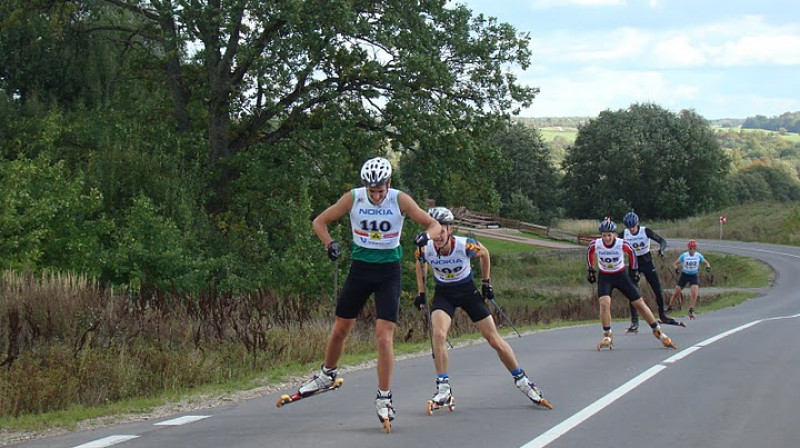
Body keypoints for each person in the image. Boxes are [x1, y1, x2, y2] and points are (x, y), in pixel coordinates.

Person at [300, 156, 442, 429]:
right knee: (341, 328)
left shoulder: (400, 200)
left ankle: (384, 397)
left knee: (384, 335)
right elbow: (319, 222)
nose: (376, 196)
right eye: (372, 190)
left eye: (380, 190)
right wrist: (329, 244)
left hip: (389, 272)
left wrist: (426, 236)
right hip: (361, 269)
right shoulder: (353, 198)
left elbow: (433, 225)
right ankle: (327, 374)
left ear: (389, 183)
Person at [413, 207, 552, 412]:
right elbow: (419, 263)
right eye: (434, 231)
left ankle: (523, 381)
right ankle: (443, 389)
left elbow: (485, 253)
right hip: (444, 294)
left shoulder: (464, 244)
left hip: (468, 292)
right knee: (439, 334)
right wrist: (421, 292)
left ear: (450, 229)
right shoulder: (425, 248)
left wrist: (486, 283)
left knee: (493, 339)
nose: (438, 236)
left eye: (442, 231)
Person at [586, 218, 677, 350]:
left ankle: (659, 332)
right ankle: (607, 334)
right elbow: (589, 252)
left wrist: (634, 269)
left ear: (615, 234)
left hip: (620, 275)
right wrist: (591, 269)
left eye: (609, 235)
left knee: (639, 303)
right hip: (605, 276)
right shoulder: (596, 244)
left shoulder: (621, 243)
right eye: (604, 235)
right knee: (604, 303)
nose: (607, 238)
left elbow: (632, 253)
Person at [619, 211, 683, 332]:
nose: (631, 229)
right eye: (629, 227)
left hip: (647, 261)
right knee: (633, 292)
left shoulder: (645, 231)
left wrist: (661, 250)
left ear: (637, 223)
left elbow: (663, 241)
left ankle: (662, 315)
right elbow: (613, 243)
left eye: (633, 226)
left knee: (657, 289)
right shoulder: (624, 234)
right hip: (634, 264)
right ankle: (634, 321)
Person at [668, 239, 711, 320]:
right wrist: (676, 269)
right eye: (690, 248)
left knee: (694, 292)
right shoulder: (684, 255)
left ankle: (691, 310)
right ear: (688, 248)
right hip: (684, 275)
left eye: (693, 248)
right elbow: (675, 263)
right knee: (676, 292)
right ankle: (670, 307)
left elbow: (706, 263)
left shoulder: (698, 255)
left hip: (693, 275)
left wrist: (708, 267)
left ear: (695, 248)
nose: (692, 250)